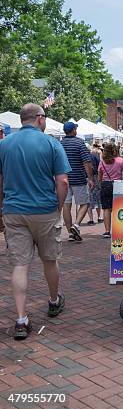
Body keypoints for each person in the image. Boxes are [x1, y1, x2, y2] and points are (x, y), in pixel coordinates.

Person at [0, 104, 71, 339]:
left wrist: (3, 205)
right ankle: (53, 300)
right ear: (40, 118)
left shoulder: (4, 144)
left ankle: (21, 319)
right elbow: (63, 182)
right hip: (44, 210)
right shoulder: (51, 144)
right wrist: (58, 207)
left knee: (20, 265)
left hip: (14, 211)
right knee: (50, 259)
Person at [61, 122, 94, 242]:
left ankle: (70, 232)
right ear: (73, 130)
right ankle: (76, 225)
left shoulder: (60, 144)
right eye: (75, 128)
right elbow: (87, 162)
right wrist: (90, 178)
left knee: (66, 206)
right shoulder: (79, 143)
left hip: (64, 179)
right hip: (78, 179)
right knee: (85, 203)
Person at [98, 144, 123, 238]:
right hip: (118, 185)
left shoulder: (102, 161)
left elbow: (99, 173)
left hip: (105, 184)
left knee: (106, 209)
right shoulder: (120, 160)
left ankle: (107, 231)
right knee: (119, 207)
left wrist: (101, 182)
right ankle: (118, 230)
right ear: (115, 151)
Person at [87, 143, 103, 225]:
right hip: (96, 177)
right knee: (98, 197)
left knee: (88, 198)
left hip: (86, 178)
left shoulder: (82, 157)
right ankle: (99, 217)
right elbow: (100, 167)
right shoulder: (95, 155)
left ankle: (91, 219)